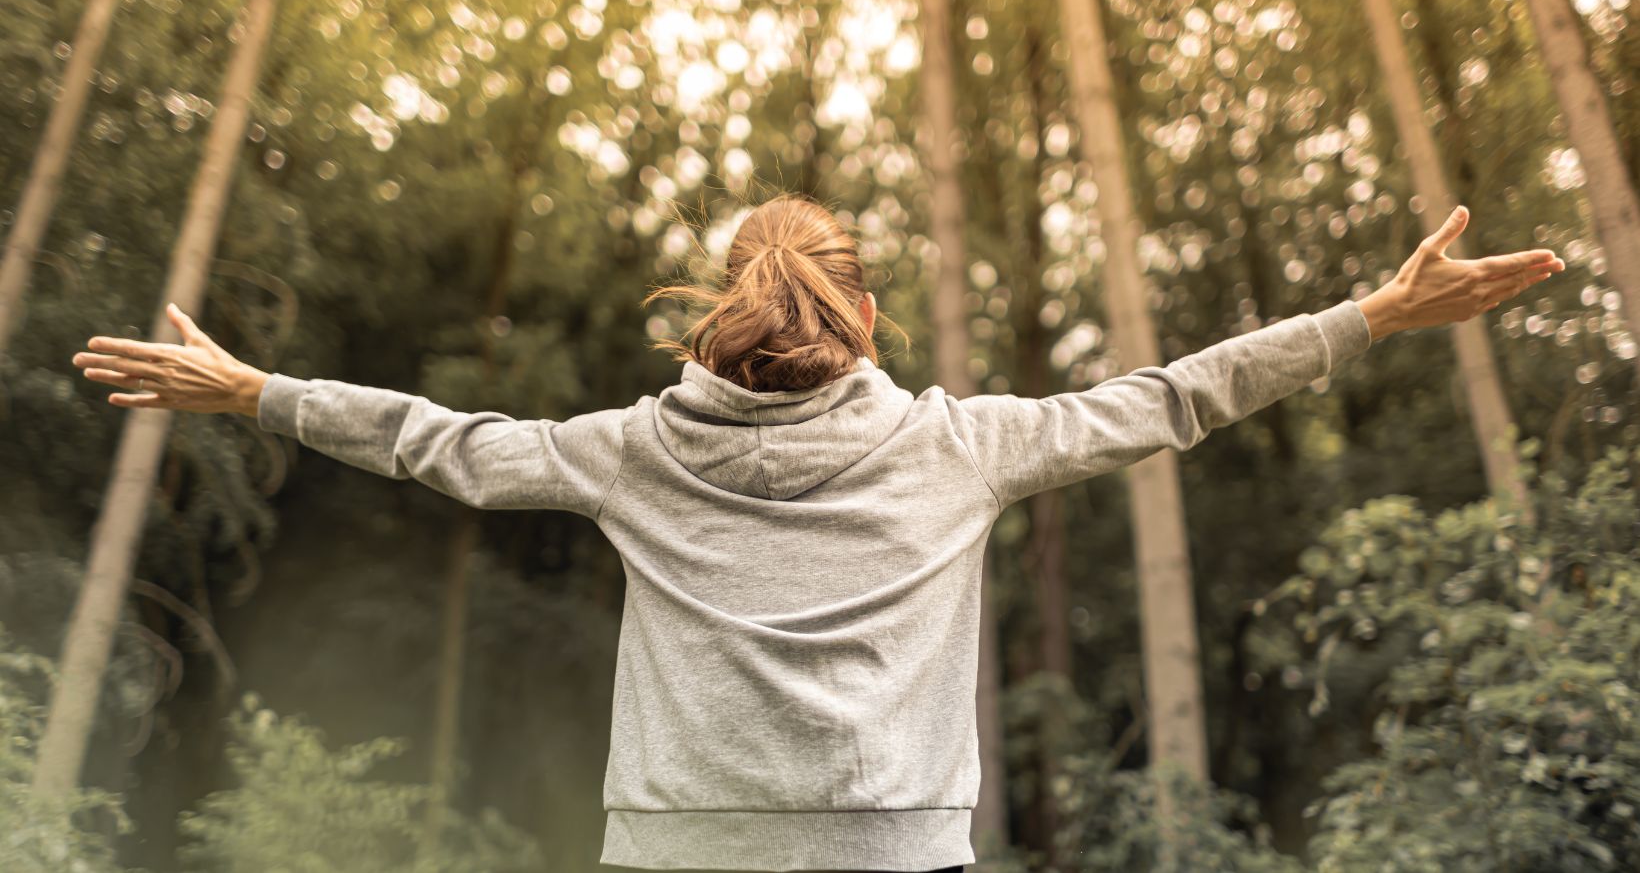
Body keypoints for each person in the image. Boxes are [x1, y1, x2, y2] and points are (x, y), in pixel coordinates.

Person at [73, 195, 1561, 872]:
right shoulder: (960, 446)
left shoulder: (636, 453)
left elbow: (443, 448)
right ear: (862, 311)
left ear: (724, 309)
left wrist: (256, 389)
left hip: (674, 852)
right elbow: (1176, 397)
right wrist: (1370, 313)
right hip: (894, 855)